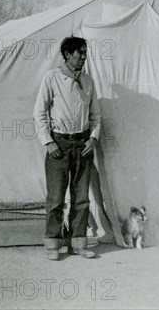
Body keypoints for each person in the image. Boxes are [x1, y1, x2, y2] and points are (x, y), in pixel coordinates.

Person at [33, 36, 102, 260]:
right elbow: (39, 113)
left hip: (83, 145)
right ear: (67, 54)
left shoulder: (88, 81)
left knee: (81, 197)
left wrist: (92, 138)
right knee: (56, 197)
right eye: (78, 53)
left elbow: (96, 116)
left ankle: (78, 242)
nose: (83, 57)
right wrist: (48, 141)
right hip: (59, 145)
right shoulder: (51, 78)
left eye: (84, 53)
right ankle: (53, 244)